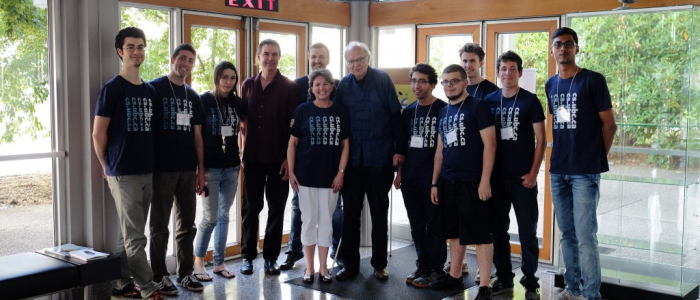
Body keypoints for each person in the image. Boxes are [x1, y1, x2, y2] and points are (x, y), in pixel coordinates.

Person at [92, 27, 164, 300]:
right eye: (131, 47)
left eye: (141, 46)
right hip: (122, 172)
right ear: (120, 52)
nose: (137, 52)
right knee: (136, 237)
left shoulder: (149, 91)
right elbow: (98, 134)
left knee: (128, 234)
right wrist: (107, 167)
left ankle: (122, 285)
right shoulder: (112, 89)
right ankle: (147, 287)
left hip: (147, 170)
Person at [546, 27, 617, 300]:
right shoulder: (551, 84)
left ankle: (591, 294)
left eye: (568, 44)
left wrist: (595, 159)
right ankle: (572, 288)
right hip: (558, 171)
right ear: (552, 50)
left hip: (585, 172)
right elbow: (558, 123)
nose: (563, 48)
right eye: (558, 45)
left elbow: (609, 126)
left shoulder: (593, 80)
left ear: (576, 48)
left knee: (586, 238)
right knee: (566, 234)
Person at [334, 41, 405, 281]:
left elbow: (396, 116)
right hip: (352, 161)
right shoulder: (343, 84)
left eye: (360, 59)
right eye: (351, 61)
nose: (356, 65)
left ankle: (379, 264)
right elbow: (339, 122)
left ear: (369, 58)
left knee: (378, 213)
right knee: (350, 215)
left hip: (380, 158)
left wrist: (399, 150)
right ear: (347, 64)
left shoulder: (383, 79)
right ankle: (349, 264)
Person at [429, 64, 496, 300]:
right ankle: (455, 276)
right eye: (445, 82)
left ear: (464, 82)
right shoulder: (444, 112)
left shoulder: (478, 107)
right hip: (448, 181)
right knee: (454, 233)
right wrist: (435, 183)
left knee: (479, 235)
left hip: (473, 181)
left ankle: (485, 286)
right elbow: (440, 150)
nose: (449, 85)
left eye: (454, 81)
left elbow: (491, 145)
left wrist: (485, 180)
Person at [483, 51, 546, 300]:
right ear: (497, 73)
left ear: (520, 72)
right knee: (498, 231)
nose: (507, 73)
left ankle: (530, 281)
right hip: (496, 179)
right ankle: (504, 277)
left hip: (523, 179)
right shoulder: (488, 100)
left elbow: (541, 140)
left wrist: (533, 174)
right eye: (503, 68)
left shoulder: (530, 101)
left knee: (528, 232)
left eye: (512, 69)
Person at [239, 39, 300, 276]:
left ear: (279, 58)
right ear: (258, 57)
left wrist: (289, 159)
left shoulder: (290, 87)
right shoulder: (247, 85)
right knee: (250, 208)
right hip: (253, 158)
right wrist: (242, 150)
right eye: (266, 54)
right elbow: (243, 122)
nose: (270, 58)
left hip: (279, 160)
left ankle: (270, 258)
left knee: (276, 209)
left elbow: (293, 127)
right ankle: (247, 257)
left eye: (275, 54)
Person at [148, 43, 205, 293]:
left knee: (187, 225)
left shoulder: (193, 96)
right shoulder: (154, 89)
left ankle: (185, 273)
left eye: (190, 60)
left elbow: (198, 137)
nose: (186, 63)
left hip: (186, 169)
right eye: (182, 58)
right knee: (159, 226)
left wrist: (200, 170)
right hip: (161, 168)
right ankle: (158, 275)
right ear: (172, 59)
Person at [282, 43, 344, 270]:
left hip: (330, 164)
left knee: (334, 213)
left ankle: (336, 255)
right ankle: (295, 251)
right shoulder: (296, 85)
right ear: (308, 58)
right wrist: (291, 167)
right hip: (304, 165)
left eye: (321, 57)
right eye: (313, 57)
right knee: (300, 210)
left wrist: (341, 171)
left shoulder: (337, 87)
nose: (317, 60)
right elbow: (291, 128)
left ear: (328, 59)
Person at [445, 42, 500, 277]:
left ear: (481, 63)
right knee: (457, 225)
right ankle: (458, 266)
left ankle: (485, 272)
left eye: (472, 61)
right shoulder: (453, 93)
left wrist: (485, 177)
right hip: (456, 172)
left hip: (481, 171)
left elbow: (491, 139)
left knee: (481, 226)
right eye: (464, 61)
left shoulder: (490, 92)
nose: (468, 65)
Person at [393, 63, 447, 288]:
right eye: (414, 80)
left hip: (434, 179)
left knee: (433, 225)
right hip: (411, 178)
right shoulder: (408, 111)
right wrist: (399, 175)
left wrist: (436, 181)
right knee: (416, 225)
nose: (416, 85)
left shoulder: (443, 109)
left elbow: (444, 150)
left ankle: (436, 269)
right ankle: (422, 265)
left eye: (422, 81)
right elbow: (403, 148)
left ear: (432, 85)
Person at [192, 61, 247, 281]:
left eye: (232, 78)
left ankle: (219, 262)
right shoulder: (203, 100)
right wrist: (200, 170)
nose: (228, 82)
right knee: (210, 218)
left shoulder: (238, 103)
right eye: (225, 77)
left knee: (224, 216)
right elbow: (198, 138)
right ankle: (198, 262)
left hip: (232, 167)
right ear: (217, 78)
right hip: (211, 168)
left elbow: (244, 129)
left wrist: (243, 153)